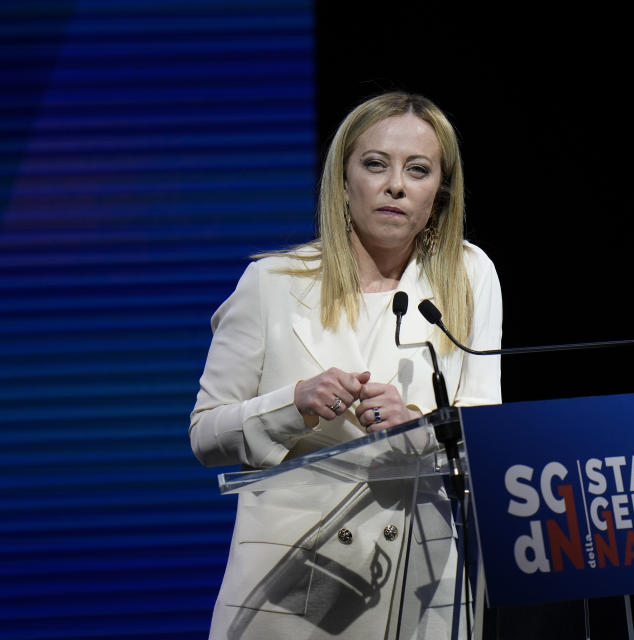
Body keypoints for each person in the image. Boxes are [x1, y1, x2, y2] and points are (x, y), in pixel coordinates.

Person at [190, 92, 502, 639]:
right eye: (375, 164)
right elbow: (205, 433)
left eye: (419, 170)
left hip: (424, 579)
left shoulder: (469, 275)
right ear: (342, 181)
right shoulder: (273, 283)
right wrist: (292, 405)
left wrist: (419, 426)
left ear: (439, 193)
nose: (396, 185)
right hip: (294, 584)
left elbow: (490, 430)